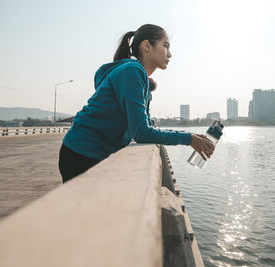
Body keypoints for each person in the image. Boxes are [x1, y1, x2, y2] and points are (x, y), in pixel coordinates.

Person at [59, 24, 214, 183]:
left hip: (88, 153)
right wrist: (189, 139)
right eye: (165, 46)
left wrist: (192, 136)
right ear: (147, 46)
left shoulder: (138, 76)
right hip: (82, 153)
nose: (170, 54)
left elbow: (145, 127)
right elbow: (141, 133)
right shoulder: (133, 71)